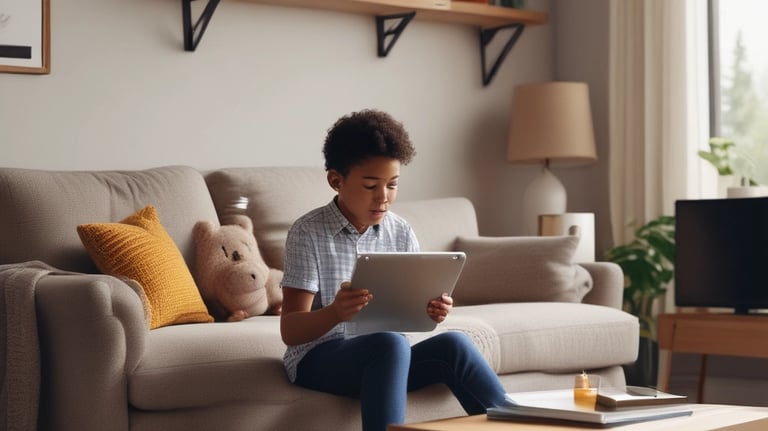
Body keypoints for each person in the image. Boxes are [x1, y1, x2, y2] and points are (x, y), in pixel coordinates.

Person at [280, 109, 507, 431]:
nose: (383, 198)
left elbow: (410, 320)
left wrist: (431, 310)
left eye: (392, 185)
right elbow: (290, 331)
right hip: (318, 359)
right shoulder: (307, 232)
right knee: (388, 343)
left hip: (387, 356)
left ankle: (520, 423)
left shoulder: (400, 231)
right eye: (371, 185)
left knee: (454, 344)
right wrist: (335, 312)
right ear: (336, 181)